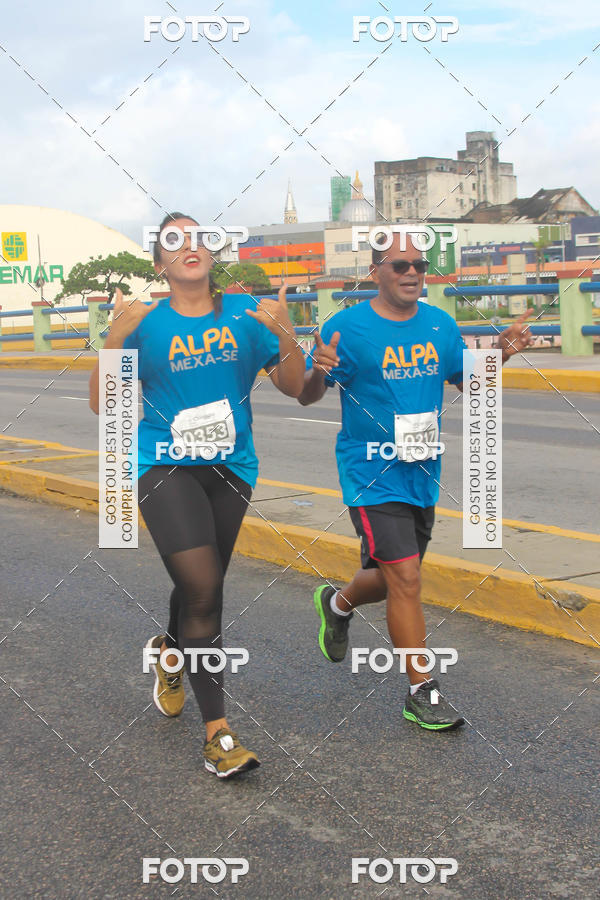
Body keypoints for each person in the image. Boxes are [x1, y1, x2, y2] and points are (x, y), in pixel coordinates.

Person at [89, 213, 305, 777]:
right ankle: (218, 733)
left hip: (232, 468)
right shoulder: (144, 323)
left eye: (198, 237)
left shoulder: (245, 315)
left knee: (198, 584)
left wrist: (284, 331)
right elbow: (103, 404)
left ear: (212, 254)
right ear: (160, 263)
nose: (189, 246)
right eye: (173, 241)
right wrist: (115, 334)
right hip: (163, 467)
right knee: (205, 588)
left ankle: (168, 650)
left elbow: (299, 389)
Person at [298, 230, 533, 730]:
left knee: (390, 578)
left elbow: (466, 382)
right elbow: (306, 395)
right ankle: (422, 691)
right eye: (399, 265)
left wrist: (502, 353)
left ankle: (337, 603)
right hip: (370, 472)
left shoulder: (439, 325)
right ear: (376, 272)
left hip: (422, 471)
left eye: (419, 266)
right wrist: (318, 370)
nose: (411, 273)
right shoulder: (347, 327)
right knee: (406, 577)